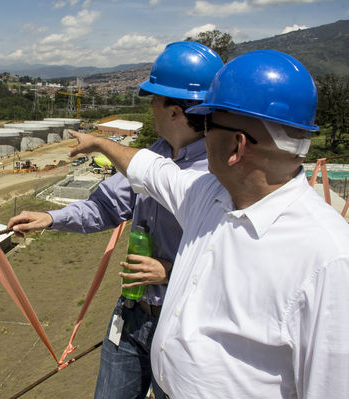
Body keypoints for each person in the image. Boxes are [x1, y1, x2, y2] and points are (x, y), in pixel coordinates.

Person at [64, 49, 349, 398]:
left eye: (207, 124)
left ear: (236, 145)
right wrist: (98, 142)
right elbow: (148, 168)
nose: (201, 134)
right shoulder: (208, 196)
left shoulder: (328, 259)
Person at [8, 41, 223, 399]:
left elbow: (230, 255)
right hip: (132, 311)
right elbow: (104, 208)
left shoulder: (215, 175)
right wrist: (50, 217)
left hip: (183, 322)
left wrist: (169, 271)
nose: (150, 107)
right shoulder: (149, 157)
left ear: (175, 112)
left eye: (155, 100)